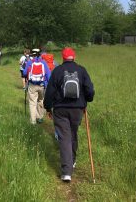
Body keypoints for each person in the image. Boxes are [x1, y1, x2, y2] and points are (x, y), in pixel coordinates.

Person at [43, 47, 95, 183]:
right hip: (77, 109)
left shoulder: (57, 71)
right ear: (74, 56)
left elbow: (49, 93)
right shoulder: (82, 70)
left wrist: (48, 108)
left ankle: (66, 172)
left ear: (63, 57)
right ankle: (72, 162)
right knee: (73, 133)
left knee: (64, 137)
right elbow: (90, 90)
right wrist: (87, 100)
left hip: (60, 110)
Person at [23, 48, 51, 125]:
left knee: (32, 102)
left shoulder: (29, 62)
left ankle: (33, 121)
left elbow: (25, 73)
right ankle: (40, 117)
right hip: (42, 85)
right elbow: (49, 75)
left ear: (32, 54)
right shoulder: (44, 62)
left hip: (32, 85)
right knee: (40, 100)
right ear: (39, 54)